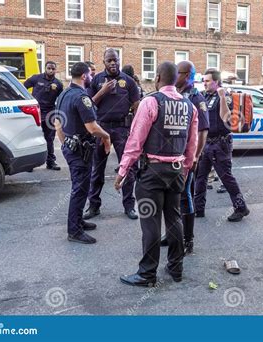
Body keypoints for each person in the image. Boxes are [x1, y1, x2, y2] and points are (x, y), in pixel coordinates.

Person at [115, 61, 198, 287]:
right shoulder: (190, 106)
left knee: (150, 223)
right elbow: (192, 143)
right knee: (174, 218)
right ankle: (176, 268)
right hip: (177, 171)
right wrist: (186, 167)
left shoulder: (151, 102)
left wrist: (123, 170)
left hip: (152, 170)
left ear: (159, 78)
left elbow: (135, 140)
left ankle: (147, 274)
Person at [54, 62, 111, 244]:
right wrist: (107, 136)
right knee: (80, 190)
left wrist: (65, 145)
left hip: (71, 148)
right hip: (80, 151)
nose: (92, 78)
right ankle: (74, 231)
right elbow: (92, 128)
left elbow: (58, 123)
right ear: (85, 76)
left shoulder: (64, 94)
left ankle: (77, 221)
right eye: (91, 75)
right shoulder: (81, 97)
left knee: (79, 187)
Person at [84, 49, 141, 220]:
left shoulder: (129, 81)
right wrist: (103, 91)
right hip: (101, 129)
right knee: (97, 169)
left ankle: (129, 206)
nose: (113, 63)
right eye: (109, 60)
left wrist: (134, 126)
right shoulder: (96, 80)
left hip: (122, 130)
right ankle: (93, 206)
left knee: (127, 168)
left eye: (115, 60)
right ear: (103, 62)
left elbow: (137, 105)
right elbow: (89, 104)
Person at [160, 60, 209, 255]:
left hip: (187, 158)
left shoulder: (196, 98)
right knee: (170, 198)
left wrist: (195, 156)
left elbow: (203, 131)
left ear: (187, 75)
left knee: (185, 195)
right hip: (172, 157)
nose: (174, 76)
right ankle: (172, 233)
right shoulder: (176, 96)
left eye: (178, 73)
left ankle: (188, 240)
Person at [194, 69, 250, 222]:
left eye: (207, 81)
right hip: (206, 142)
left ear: (216, 82)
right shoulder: (204, 95)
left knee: (226, 178)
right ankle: (198, 208)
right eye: (204, 80)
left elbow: (226, 118)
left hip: (220, 143)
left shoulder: (225, 97)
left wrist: (222, 97)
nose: (204, 83)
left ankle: (241, 208)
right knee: (200, 177)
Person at [24, 61, 63, 170]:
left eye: (53, 69)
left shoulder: (58, 84)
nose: (51, 70)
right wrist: (28, 100)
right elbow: (24, 87)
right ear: (45, 68)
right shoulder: (36, 78)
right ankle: (29, 164)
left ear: (55, 70)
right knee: (32, 138)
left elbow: (61, 99)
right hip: (36, 112)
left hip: (50, 113)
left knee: (49, 138)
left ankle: (50, 162)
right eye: (49, 68)